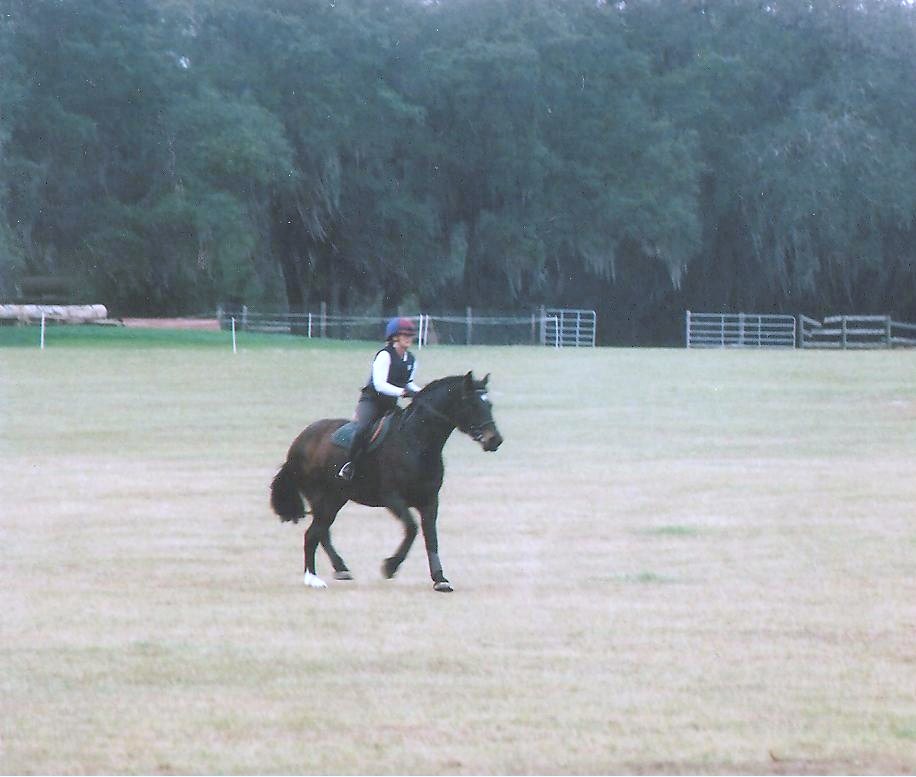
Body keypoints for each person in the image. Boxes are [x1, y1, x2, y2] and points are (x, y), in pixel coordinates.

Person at [337, 316, 422, 481]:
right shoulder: (384, 356)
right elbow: (380, 384)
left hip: (390, 404)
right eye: (405, 335)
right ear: (394, 337)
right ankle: (349, 465)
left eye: (411, 335)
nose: (409, 338)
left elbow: (409, 383)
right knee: (362, 429)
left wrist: (422, 393)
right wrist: (402, 392)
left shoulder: (411, 360)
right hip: (371, 402)